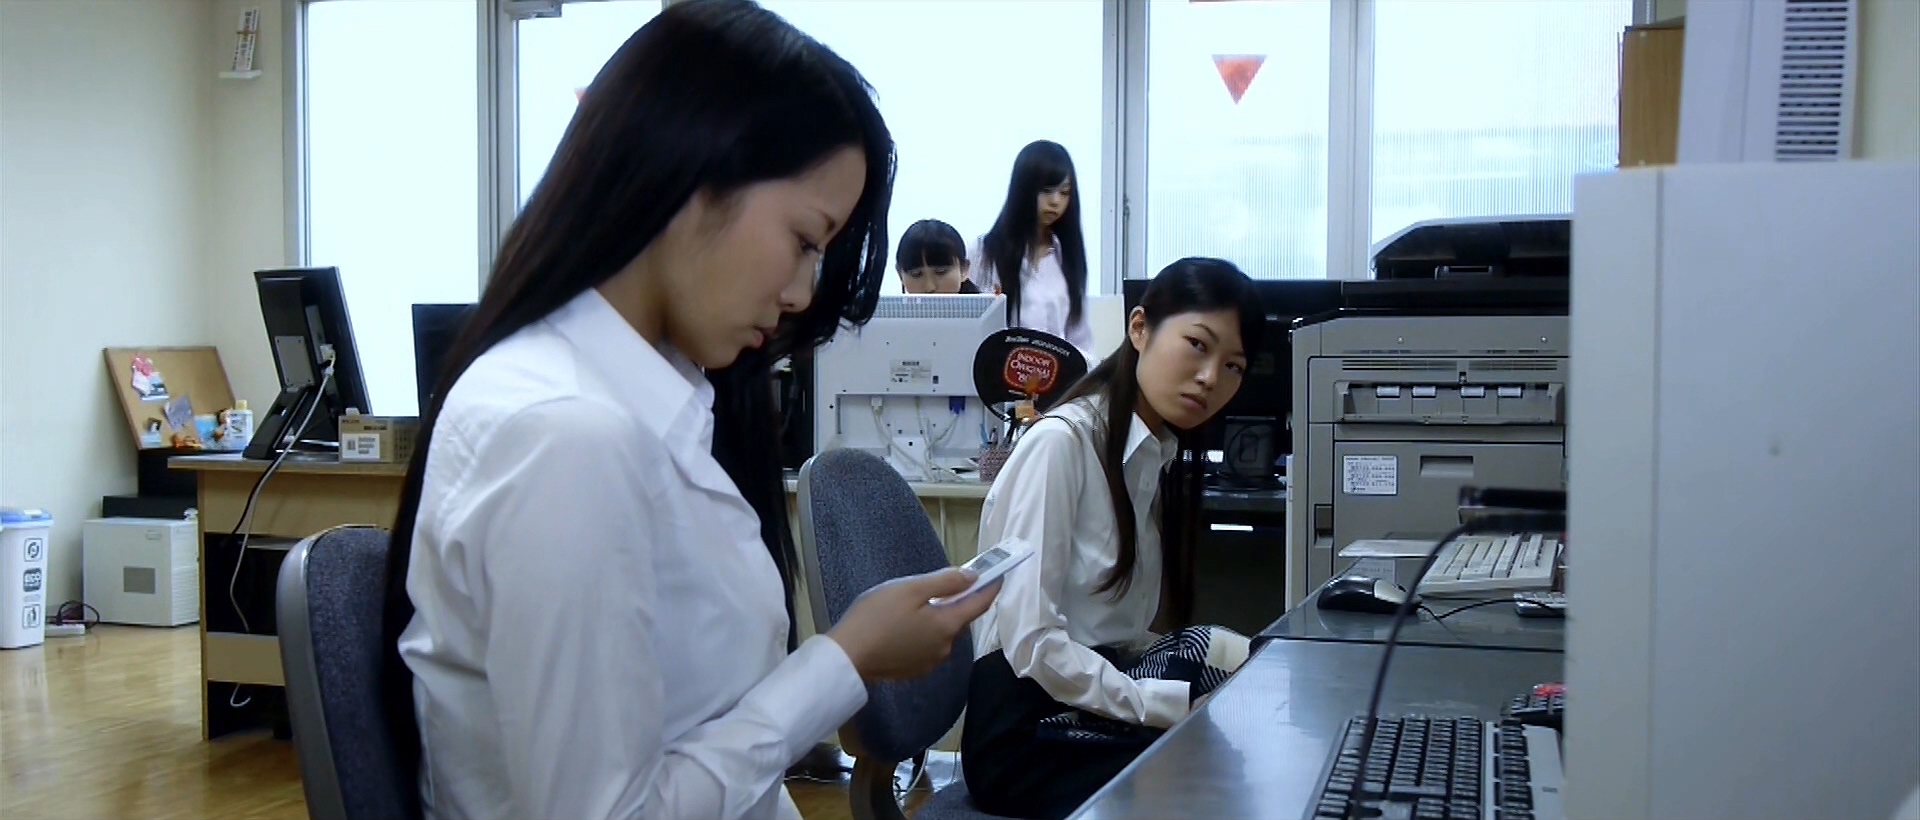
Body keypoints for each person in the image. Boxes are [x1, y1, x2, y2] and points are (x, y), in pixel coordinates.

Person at [378, 3, 999, 818]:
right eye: (805, 241)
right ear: (691, 179)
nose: (801, 292)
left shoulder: (658, 405)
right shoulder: (562, 437)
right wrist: (843, 660)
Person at [959, 258, 1266, 820]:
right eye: (1198, 345)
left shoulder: (1150, 457)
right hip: (1023, 736)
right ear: (1139, 328)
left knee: (1242, 720)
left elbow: (1113, 630)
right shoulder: (1061, 445)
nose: (1210, 378)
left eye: (1233, 366)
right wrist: (1159, 703)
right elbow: (1031, 642)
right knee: (1218, 781)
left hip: (1085, 706)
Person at [970, 140, 1093, 355]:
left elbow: (1081, 341)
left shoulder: (1068, 257)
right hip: (999, 370)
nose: (1055, 202)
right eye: (1046, 190)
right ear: (1022, 190)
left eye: (1064, 192)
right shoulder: (985, 252)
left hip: (1057, 372)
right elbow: (970, 329)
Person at [895, 218, 979, 294]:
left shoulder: (985, 305)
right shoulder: (889, 306)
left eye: (941, 272)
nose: (930, 287)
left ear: (963, 270)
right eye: (916, 274)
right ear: (900, 274)